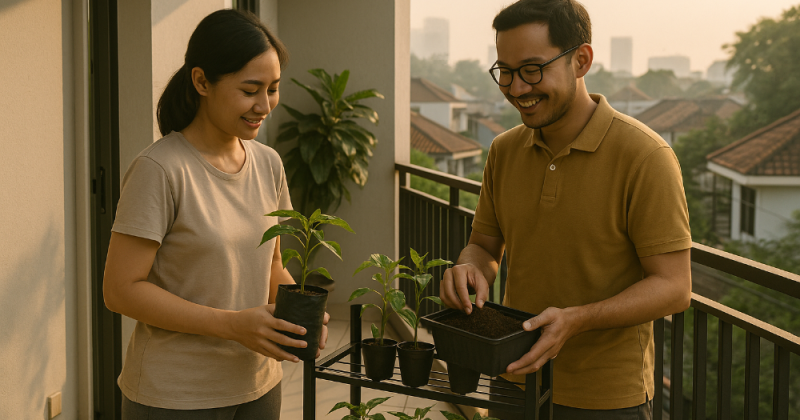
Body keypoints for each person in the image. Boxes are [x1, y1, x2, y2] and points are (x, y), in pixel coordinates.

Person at [439, 1, 692, 418]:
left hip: (606, 398)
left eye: (532, 69)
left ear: (581, 60)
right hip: (513, 380)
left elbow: (673, 286)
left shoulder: (645, 155)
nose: (517, 88)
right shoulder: (504, 150)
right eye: (505, 71)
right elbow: (484, 247)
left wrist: (577, 319)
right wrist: (469, 269)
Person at [103, 9, 327, 419]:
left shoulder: (268, 163)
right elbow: (120, 289)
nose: (265, 106)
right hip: (175, 397)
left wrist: (299, 314)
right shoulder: (161, 169)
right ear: (202, 82)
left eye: (273, 89)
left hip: (259, 386)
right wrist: (231, 325)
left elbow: (271, 264)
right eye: (250, 90)